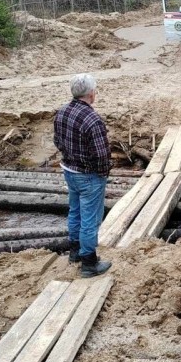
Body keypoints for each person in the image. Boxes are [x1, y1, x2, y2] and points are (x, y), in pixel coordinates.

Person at [53, 73, 112, 278]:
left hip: (69, 171)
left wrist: (71, 157)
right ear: (91, 93)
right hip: (89, 176)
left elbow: (58, 142)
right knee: (90, 219)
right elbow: (102, 155)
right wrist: (103, 174)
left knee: (75, 211)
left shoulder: (62, 112)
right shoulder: (92, 119)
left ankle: (74, 252)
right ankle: (89, 263)